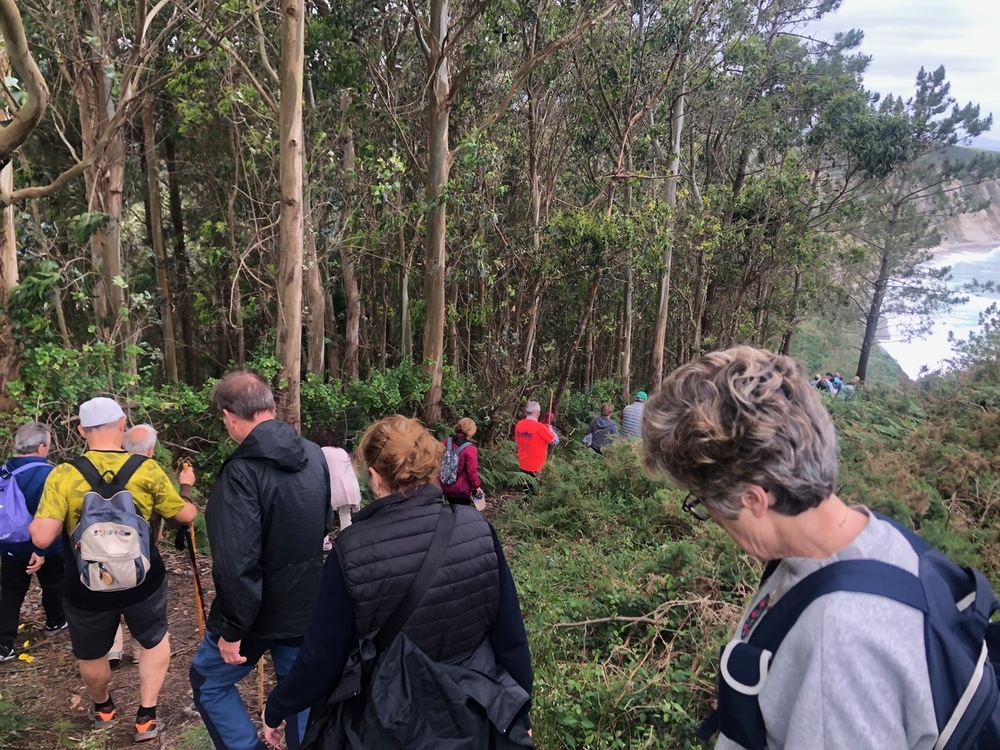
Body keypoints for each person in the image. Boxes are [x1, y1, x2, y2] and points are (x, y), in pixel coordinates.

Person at [641, 346, 941, 749]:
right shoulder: (878, 539)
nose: (713, 519)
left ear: (753, 500)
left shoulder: (838, 640)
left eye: (702, 501)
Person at [260, 415, 533, 749]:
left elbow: (320, 659)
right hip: (474, 714)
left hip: (388, 725)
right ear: (431, 468)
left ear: (375, 478)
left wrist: (277, 708)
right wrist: (520, 714)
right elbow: (511, 638)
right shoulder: (478, 529)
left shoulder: (350, 552)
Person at [30, 397, 197, 742]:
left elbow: (43, 537)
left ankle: (104, 708)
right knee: (153, 640)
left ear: (81, 431)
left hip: (85, 585)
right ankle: (146, 717)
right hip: (143, 580)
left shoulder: (63, 473)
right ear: (122, 424)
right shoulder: (146, 469)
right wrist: (186, 488)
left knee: (91, 651)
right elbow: (185, 515)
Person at [189, 370, 330, 750]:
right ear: (269, 407)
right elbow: (322, 526)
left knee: (208, 681)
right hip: (306, 604)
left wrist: (232, 630)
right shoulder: (315, 456)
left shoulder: (239, 474)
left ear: (230, 417)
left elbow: (237, 562)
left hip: (255, 615)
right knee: (299, 686)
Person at [107, 424, 196, 668]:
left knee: (108, 590)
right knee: (142, 600)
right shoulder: (149, 470)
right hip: (139, 553)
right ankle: (140, 650)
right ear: (151, 449)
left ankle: (112, 649)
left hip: (100, 550)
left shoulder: (101, 466)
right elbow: (179, 516)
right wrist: (185, 485)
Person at [0, 422, 64, 662]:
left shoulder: (4, 471)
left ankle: (4, 644)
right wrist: (41, 548)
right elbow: (51, 515)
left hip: (10, 544)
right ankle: (55, 621)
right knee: (54, 583)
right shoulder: (49, 474)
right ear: (41, 447)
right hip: (45, 544)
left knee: (11, 592)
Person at [310, 428, 361, 549]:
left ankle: (325, 543)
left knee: (324, 514)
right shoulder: (341, 451)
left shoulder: (320, 451)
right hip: (349, 487)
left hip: (334, 487)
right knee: (345, 514)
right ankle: (347, 542)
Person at [439, 417, 484, 507]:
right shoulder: (470, 449)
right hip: (460, 489)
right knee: (461, 514)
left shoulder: (445, 442)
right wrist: (477, 487)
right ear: (471, 431)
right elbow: (472, 472)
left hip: (443, 486)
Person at [514, 401, 557, 477]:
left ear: (526, 412)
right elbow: (555, 441)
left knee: (525, 485)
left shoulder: (519, 424)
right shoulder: (540, 427)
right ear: (538, 413)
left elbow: (517, 442)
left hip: (522, 462)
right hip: (536, 466)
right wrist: (550, 429)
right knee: (534, 487)